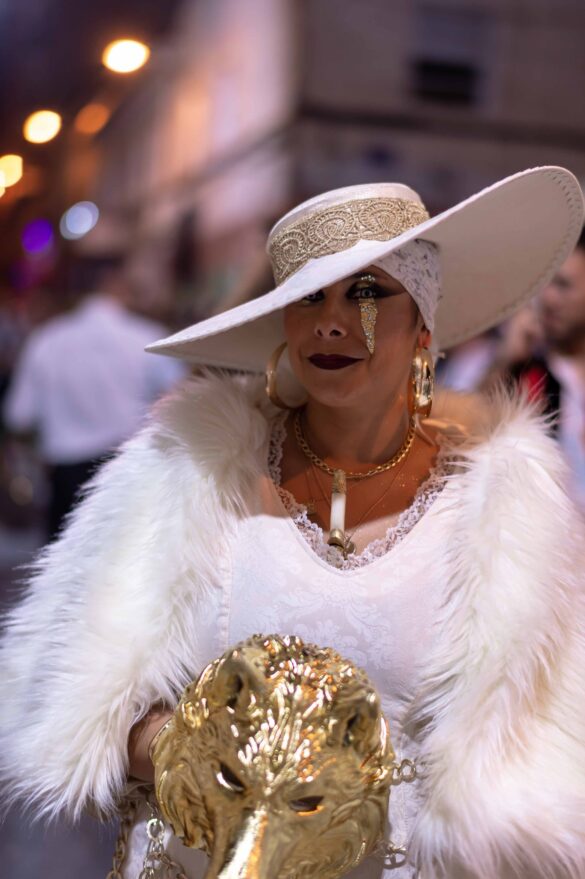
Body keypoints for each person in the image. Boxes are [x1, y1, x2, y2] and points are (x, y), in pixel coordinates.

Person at [1, 168, 585, 879]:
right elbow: (68, 701)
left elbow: (542, 758)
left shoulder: (506, 510)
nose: (331, 321)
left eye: (366, 292)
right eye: (308, 297)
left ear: (422, 323)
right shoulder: (186, 472)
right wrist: (186, 749)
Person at [2, 260, 186, 537]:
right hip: (129, 472)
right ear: (115, 284)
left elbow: (19, 415)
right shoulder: (146, 336)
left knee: (67, 561)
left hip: (67, 480)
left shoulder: (46, 341)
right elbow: (181, 398)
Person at [538, 227, 585, 511]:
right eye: (546, 283)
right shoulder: (523, 369)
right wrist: (503, 364)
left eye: (563, 285)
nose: (549, 298)